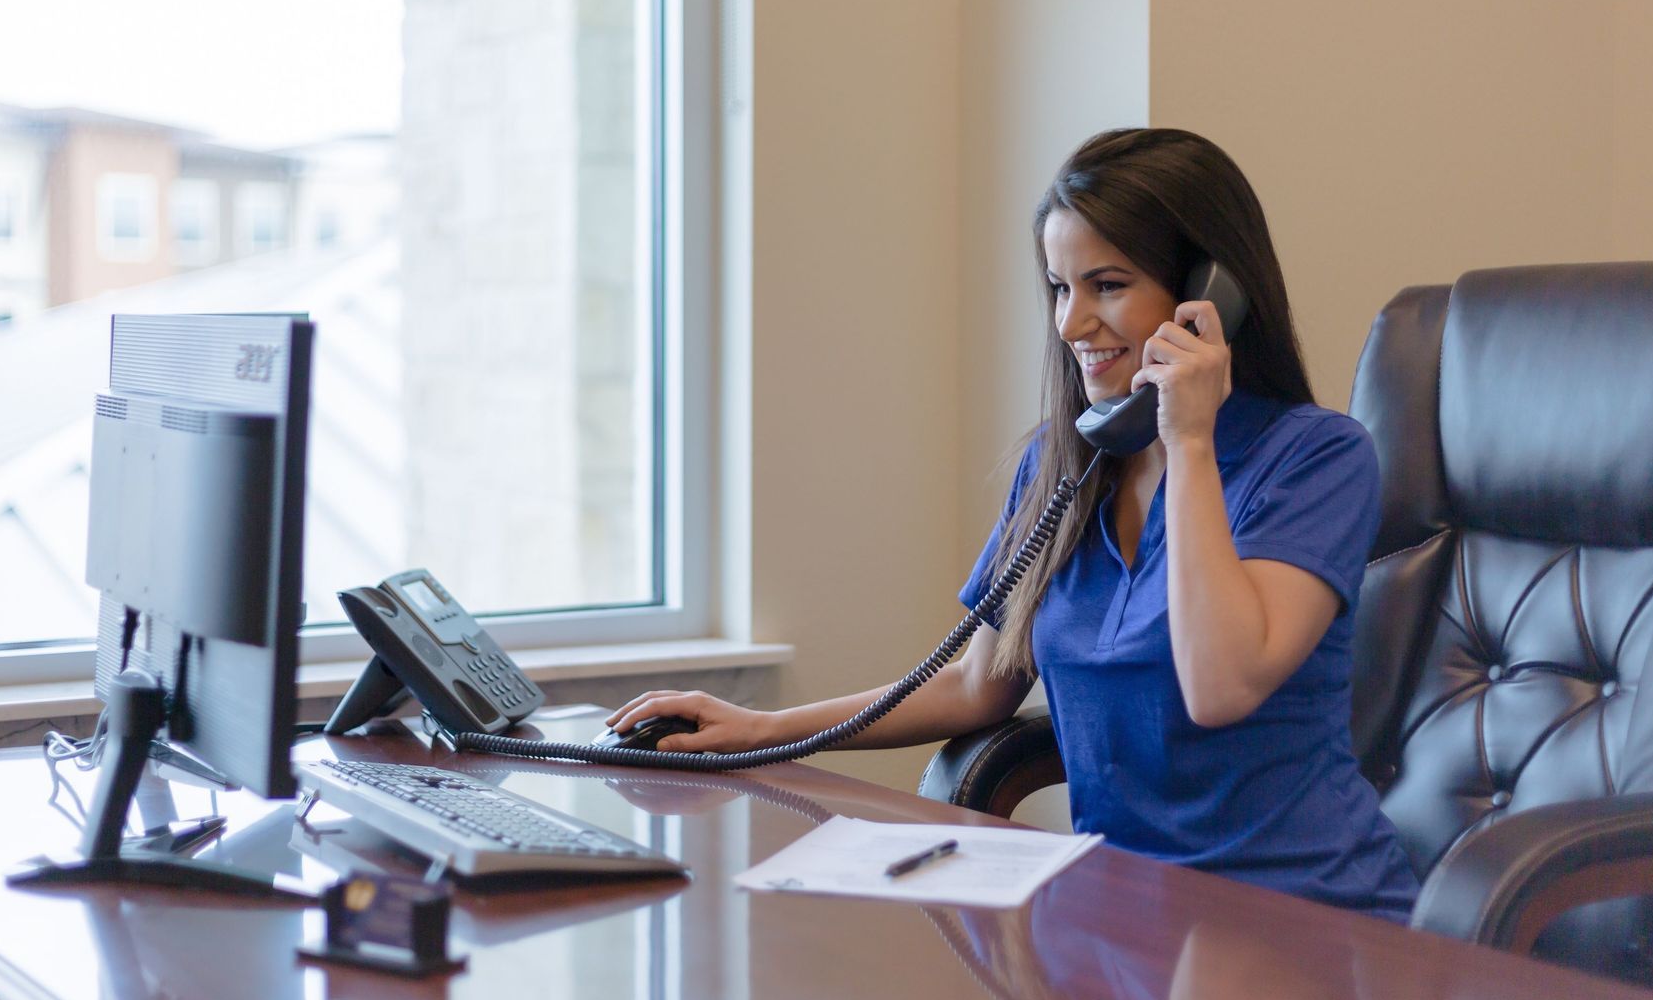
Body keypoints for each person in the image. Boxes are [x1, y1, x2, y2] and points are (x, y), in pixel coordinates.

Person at [607, 127, 1420, 920]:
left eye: (1106, 285)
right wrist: (763, 729)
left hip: (1303, 916)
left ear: (1209, 296)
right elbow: (976, 685)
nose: (1070, 325)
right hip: (1133, 915)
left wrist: (1190, 439)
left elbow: (1219, 687)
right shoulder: (1064, 467)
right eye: (1060, 288)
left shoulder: (1318, 459)